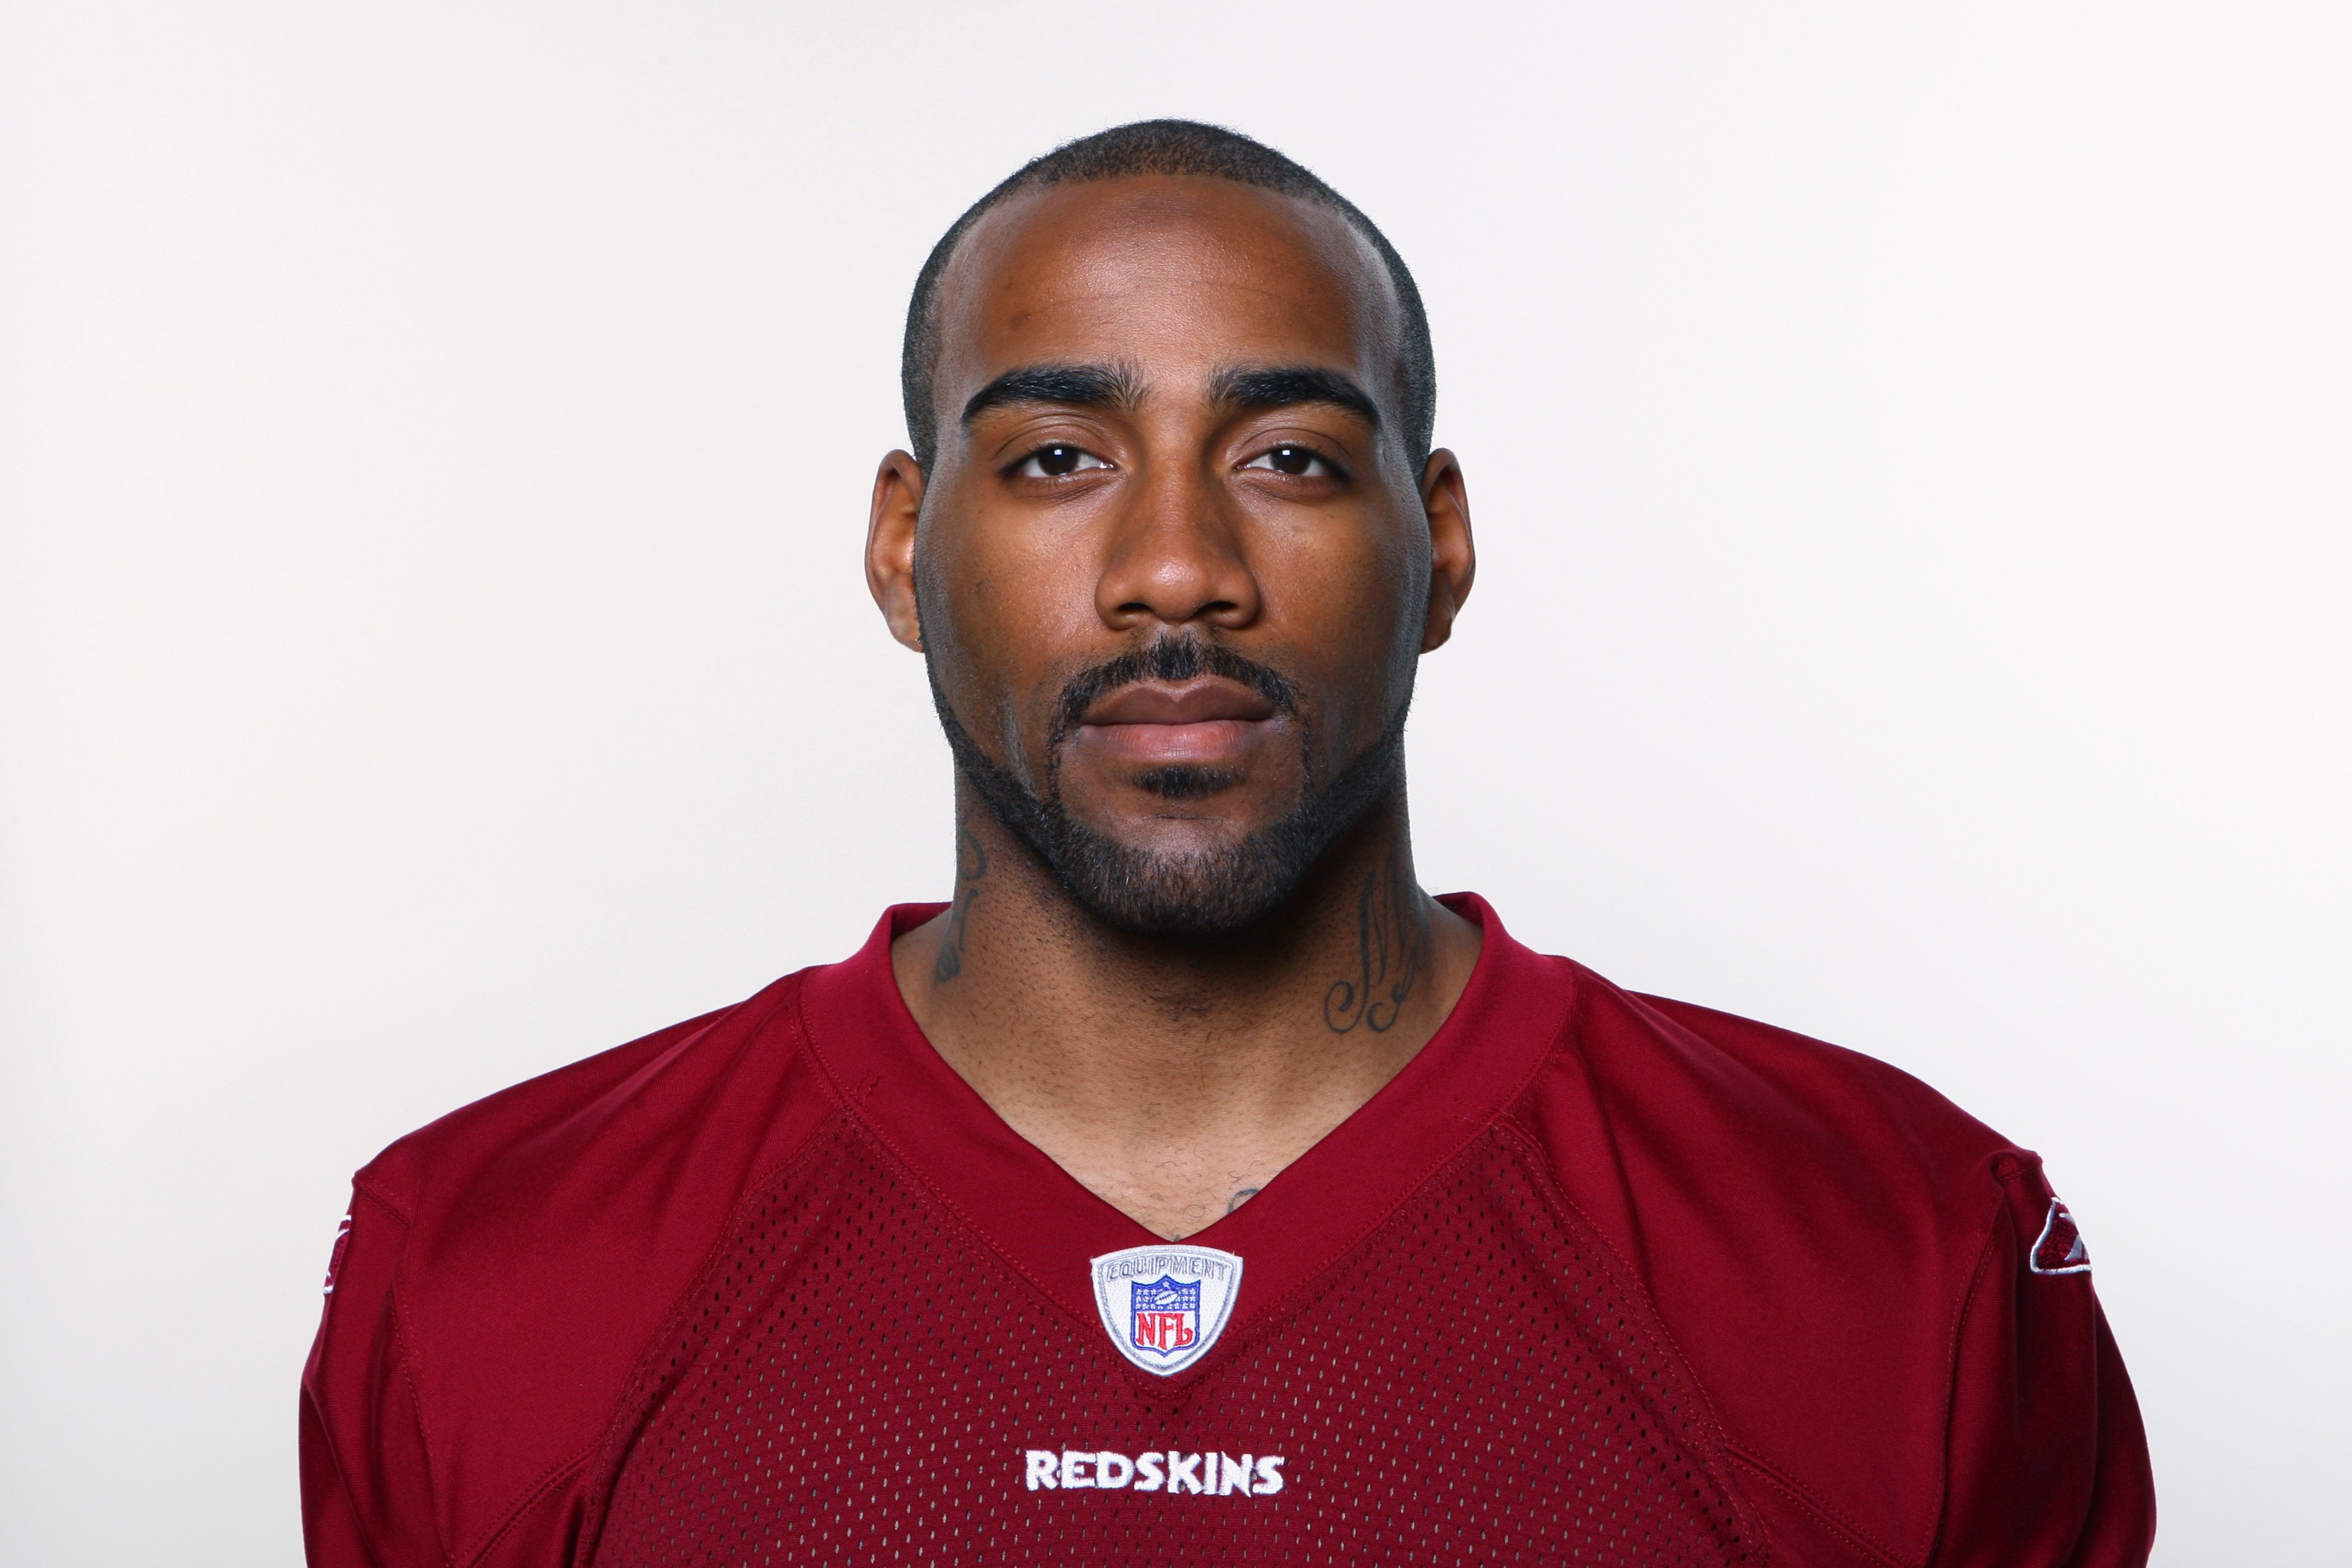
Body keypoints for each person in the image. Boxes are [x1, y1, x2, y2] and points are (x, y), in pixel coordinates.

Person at [300, 119, 2155, 1567]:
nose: (1176, 570)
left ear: (1440, 545)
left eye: (1289, 459)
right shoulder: (488, 1265)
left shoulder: (1899, 1249)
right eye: (1057, 458)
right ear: (902, 547)